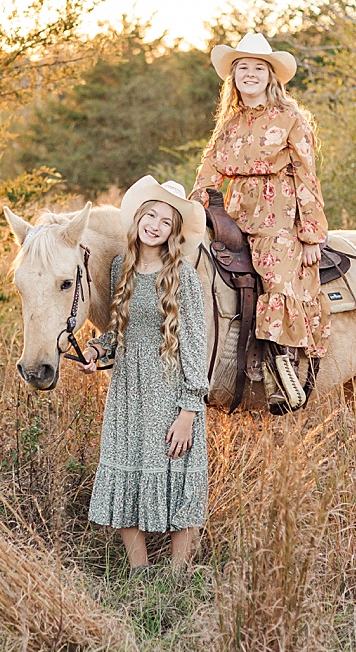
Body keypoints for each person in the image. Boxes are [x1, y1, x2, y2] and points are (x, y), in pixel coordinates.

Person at [189, 32, 330, 411]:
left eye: (258, 68)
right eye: (242, 68)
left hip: (276, 219)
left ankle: (280, 376)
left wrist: (312, 233)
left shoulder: (290, 119)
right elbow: (209, 170)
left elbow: (306, 176)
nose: (249, 74)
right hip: (233, 216)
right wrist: (193, 209)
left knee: (275, 279)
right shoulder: (229, 124)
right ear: (233, 76)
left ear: (270, 76)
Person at [76, 176, 209, 575]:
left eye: (166, 221)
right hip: (127, 394)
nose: (155, 224)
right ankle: (140, 573)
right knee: (126, 472)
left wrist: (188, 412)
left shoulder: (182, 276)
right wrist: (96, 352)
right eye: (150, 214)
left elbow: (195, 346)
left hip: (169, 393)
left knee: (178, 474)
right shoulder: (121, 267)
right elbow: (117, 333)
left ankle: (177, 575)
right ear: (137, 218)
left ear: (173, 232)